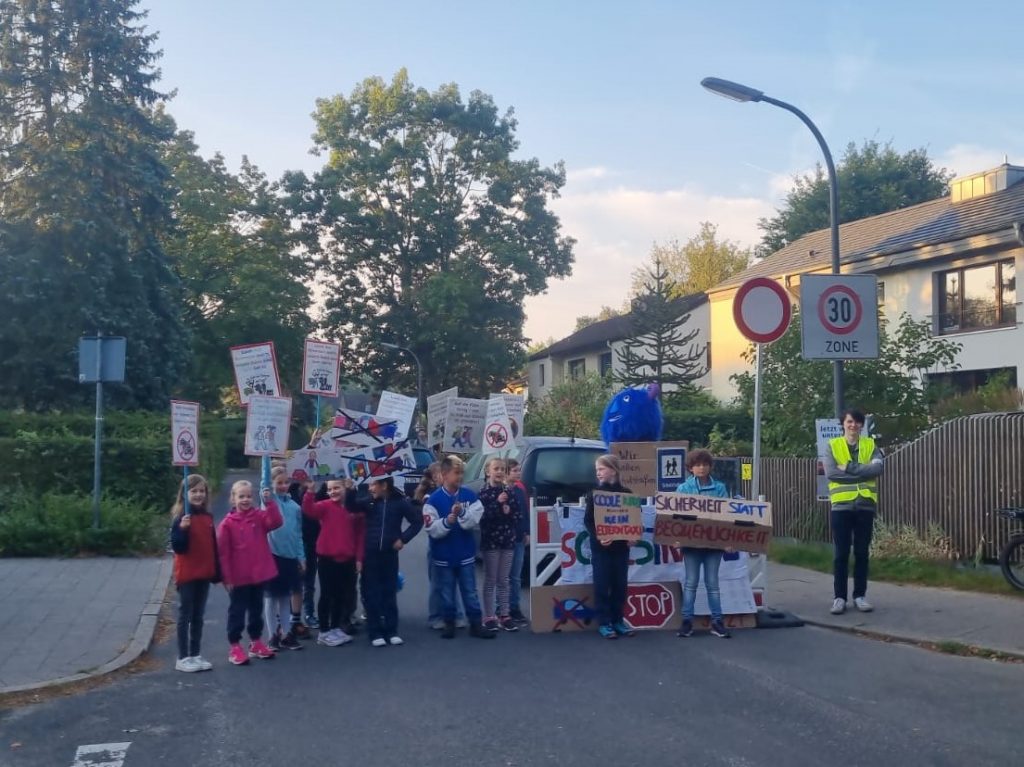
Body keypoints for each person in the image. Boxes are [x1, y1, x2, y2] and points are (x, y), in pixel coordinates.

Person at [423, 455, 494, 640]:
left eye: (462, 472)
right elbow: (432, 529)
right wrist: (447, 521)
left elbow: (474, 519)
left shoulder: (469, 495)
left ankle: (476, 624)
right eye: (456, 473)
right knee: (446, 592)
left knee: (470, 591)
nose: (460, 476)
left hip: (465, 554)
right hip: (443, 555)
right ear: (444, 474)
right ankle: (449, 623)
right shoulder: (433, 500)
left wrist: (461, 512)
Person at [346, 476, 423, 646]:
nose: (371, 488)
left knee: (389, 591)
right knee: (371, 593)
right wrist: (350, 490)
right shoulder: (369, 502)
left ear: (384, 485)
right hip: (370, 554)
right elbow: (351, 506)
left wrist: (403, 539)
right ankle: (375, 632)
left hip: (389, 554)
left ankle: (391, 630)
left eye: (374, 484)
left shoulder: (400, 502)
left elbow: (417, 521)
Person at [822, 408, 884, 615]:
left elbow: (877, 470)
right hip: (841, 507)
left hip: (865, 506)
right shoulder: (832, 446)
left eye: (857, 422)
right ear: (843, 424)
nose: (853, 425)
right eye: (850, 421)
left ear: (861, 425)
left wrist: (847, 467)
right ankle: (839, 598)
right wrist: (862, 473)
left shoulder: (870, 445)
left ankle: (860, 596)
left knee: (861, 553)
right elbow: (831, 474)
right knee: (841, 554)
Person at [217, 480, 283, 666]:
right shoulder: (227, 524)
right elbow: (224, 554)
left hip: (258, 575)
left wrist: (270, 502)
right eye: (241, 496)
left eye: (248, 496)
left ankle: (255, 642)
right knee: (237, 611)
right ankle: (235, 645)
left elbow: (276, 522)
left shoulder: (259, 517)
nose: (245, 500)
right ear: (233, 499)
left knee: (256, 610)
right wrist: (226, 577)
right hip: (238, 578)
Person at [674, 449, 731, 639]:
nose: (701, 468)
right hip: (691, 545)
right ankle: (687, 622)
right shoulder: (683, 489)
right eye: (697, 464)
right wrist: (676, 538)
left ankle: (717, 621)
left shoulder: (720, 488)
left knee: (712, 583)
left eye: (705, 464)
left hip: (714, 545)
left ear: (710, 466)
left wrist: (729, 541)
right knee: (690, 583)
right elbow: (676, 517)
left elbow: (727, 517)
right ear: (690, 468)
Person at [302, 478, 364, 647]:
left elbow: (360, 535)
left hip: (348, 559)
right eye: (330, 489)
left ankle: (335, 627)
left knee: (341, 595)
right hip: (327, 559)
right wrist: (309, 493)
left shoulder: (355, 510)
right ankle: (324, 631)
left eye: (337, 488)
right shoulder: (325, 506)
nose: (333, 491)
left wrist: (359, 558)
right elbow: (309, 510)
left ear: (346, 488)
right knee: (327, 595)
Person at [169, 473, 219, 673]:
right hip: (188, 573)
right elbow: (178, 547)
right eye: (194, 491)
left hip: (204, 572)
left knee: (199, 615)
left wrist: (217, 572)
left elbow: (212, 546)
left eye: (202, 491)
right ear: (185, 494)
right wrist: (182, 529)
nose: (198, 495)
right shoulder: (181, 518)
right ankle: (182, 656)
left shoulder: (207, 517)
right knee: (185, 614)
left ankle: (195, 653)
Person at [584, 454, 635, 639]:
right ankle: (604, 623)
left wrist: (633, 537)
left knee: (620, 585)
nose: (598, 473)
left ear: (613, 470)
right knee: (602, 585)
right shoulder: (594, 494)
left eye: (601, 469)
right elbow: (588, 521)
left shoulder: (627, 494)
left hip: (622, 548)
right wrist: (599, 537)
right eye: (596, 469)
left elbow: (633, 519)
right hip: (602, 549)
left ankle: (618, 620)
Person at [417, 463, 467, 630]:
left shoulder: (455, 493)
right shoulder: (430, 497)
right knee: (438, 582)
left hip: (455, 544)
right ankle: (435, 616)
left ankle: (457, 614)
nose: (443, 477)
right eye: (439, 474)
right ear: (434, 478)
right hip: (438, 546)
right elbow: (431, 523)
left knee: (454, 581)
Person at [265, 467, 306, 651]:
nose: (283, 486)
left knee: (285, 597)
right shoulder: (269, 501)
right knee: (271, 598)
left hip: (290, 557)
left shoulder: (295, 507)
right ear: (272, 484)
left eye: (285, 482)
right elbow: (264, 484)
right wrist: (265, 455)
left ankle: (286, 635)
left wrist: (301, 556)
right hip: (273, 556)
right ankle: (272, 635)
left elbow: (298, 535)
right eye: (279, 483)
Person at [478, 458, 521, 632]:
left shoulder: (509, 492)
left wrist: (509, 511)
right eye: (496, 468)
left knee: (504, 580)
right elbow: (482, 517)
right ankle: (489, 615)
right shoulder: (483, 494)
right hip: (491, 541)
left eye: (502, 469)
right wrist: (496, 503)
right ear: (488, 471)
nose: (500, 472)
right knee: (491, 579)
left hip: (507, 540)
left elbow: (518, 516)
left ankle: (505, 614)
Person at [506, 459, 530, 625]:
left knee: (515, 576)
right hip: (506, 538)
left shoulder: (520, 490)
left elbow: (525, 512)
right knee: (503, 576)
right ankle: (502, 609)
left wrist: (527, 531)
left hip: (519, 538)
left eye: (519, 470)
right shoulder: (502, 491)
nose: (518, 473)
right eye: (515, 470)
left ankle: (515, 608)